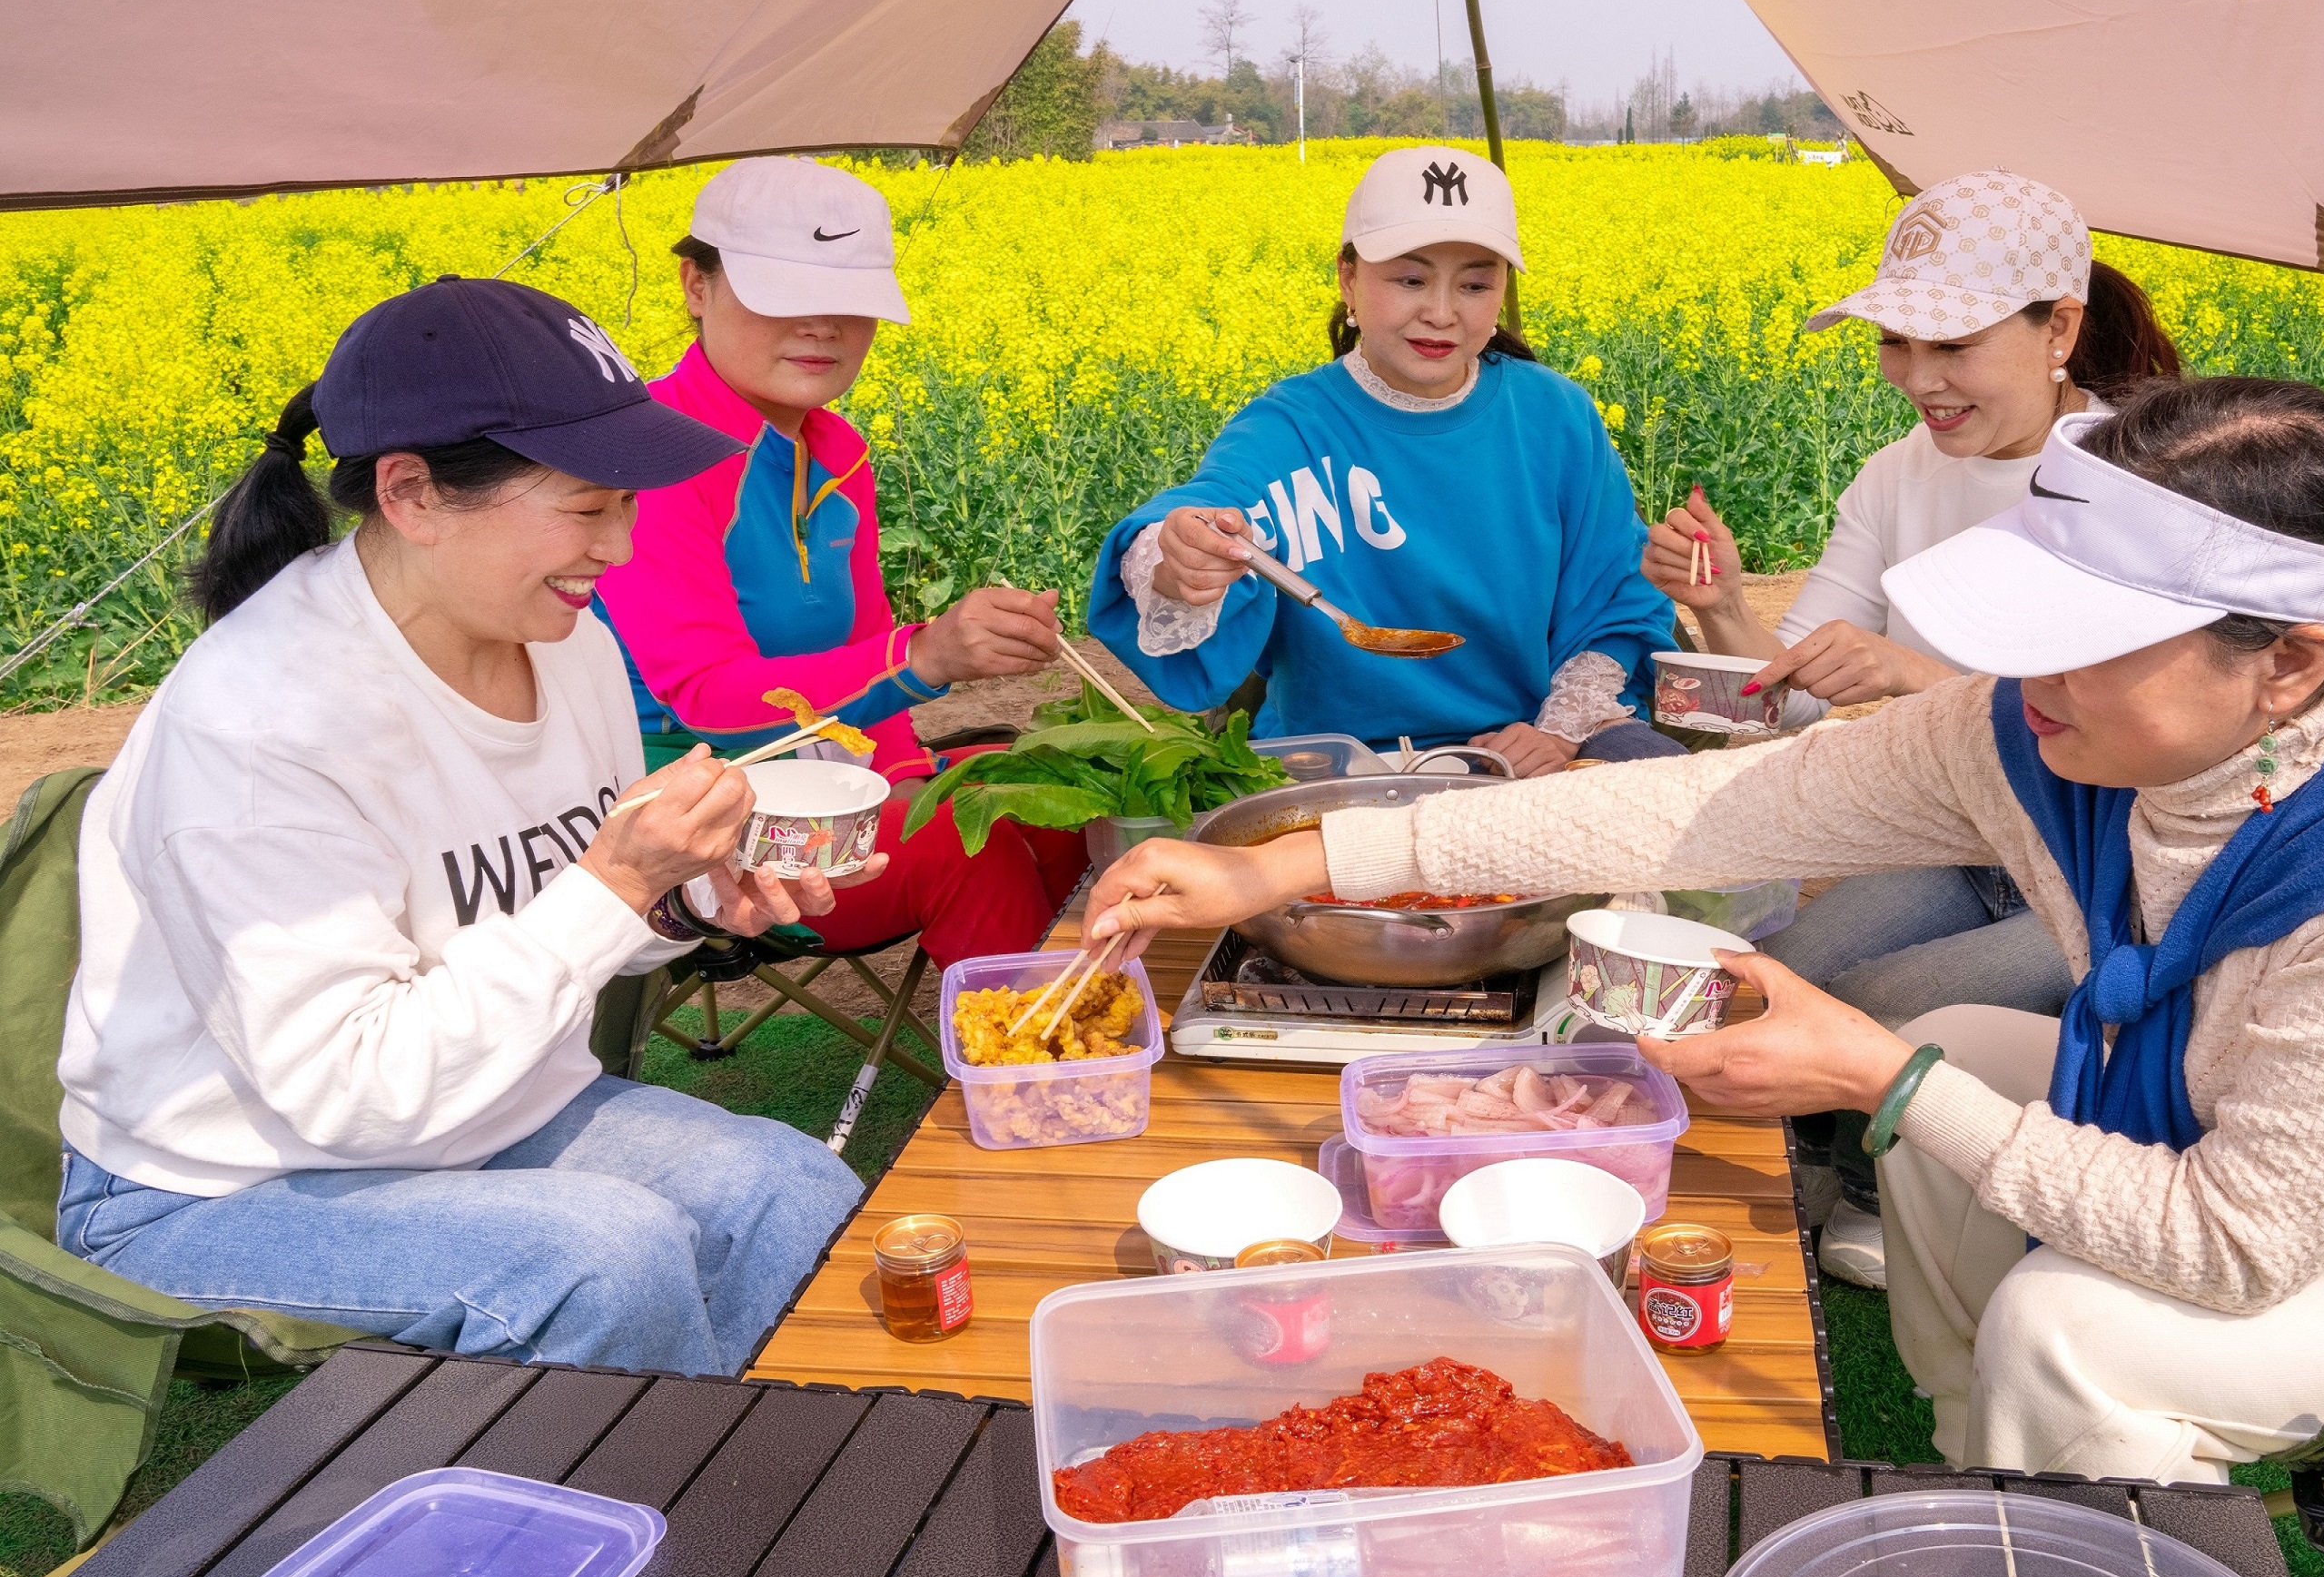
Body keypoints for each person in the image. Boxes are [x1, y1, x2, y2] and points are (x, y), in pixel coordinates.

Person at [1083, 376, 2324, 1485]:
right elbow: (1695, 812)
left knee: (2071, 1320)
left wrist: (1867, 1068)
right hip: (2311, 1179)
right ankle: (1982, 1470)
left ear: (2289, 663)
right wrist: (1293, 869)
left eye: (2090, 646)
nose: (2037, 686)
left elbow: (2233, 1246)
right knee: (1958, 1062)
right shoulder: (2081, 735)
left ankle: (2084, 1527)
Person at [59, 278, 871, 1376]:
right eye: (587, 509)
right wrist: (613, 886)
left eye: (627, 506)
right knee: (603, 1257)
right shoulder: (261, 728)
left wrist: (680, 895)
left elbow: (562, 909)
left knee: (796, 1192)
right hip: (223, 1181)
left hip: (481, 1107)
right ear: (413, 494)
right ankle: (680, 1524)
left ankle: (758, 1479)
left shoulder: (565, 641)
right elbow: (355, 1092)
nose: (621, 549)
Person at [1642, 170, 2181, 1286]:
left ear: (2058, 330)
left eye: (1953, 347)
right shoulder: (1898, 476)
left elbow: (2139, 727)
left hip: (2118, 875)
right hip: (1975, 845)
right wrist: (1722, 607)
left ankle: (1896, 1193)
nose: (1919, 381)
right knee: (1780, 971)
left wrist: (1909, 670)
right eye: (1898, 343)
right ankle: (1820, 1171)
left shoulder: (2149, 481)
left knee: (1891, 1004)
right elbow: (1790, 687)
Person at [595, 157, 1085, 968]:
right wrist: (923, 658)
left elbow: (866, 639)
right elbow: (707, 699)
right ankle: (1027, 1081)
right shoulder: (654, 458)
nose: (821, 324)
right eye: (784, 295)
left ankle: (1081, 1033)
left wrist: (900, 772)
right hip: (695, 807)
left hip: (827, 775)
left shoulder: (839, 452)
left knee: (1053, 788)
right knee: (967, 846)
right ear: (695, 285)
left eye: (849, 301)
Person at [1086, 145, 1679, 778]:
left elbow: (1617, 593)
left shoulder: (1555, 415)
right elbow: (1204, 508)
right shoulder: (1293, 424)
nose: (1443, 313)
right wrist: (1180, 559)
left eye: (1476, 284)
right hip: (1339, 761)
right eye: (1410, 279)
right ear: (1348, 278)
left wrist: (1559, 730)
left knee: (1678, 811)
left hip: (1526, 741)